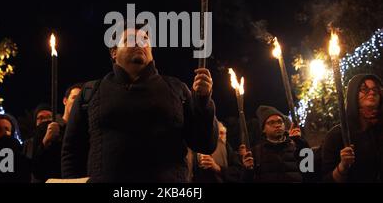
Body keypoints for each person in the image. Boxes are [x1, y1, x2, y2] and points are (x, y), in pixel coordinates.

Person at [62, 26, 218, 182]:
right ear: (114, 52)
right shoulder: (90, 92)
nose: (139, 43)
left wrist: (202, 102)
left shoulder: (177, 89)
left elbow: (204, 144)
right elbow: (72, 151)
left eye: (145, 40)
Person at [322, 74, 383, 182]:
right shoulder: (337, 135)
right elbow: (325, 179)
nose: (372, 92)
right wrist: (342, 167)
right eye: (364, 89)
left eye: (375, 89)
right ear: (353, 95)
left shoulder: (378, 130)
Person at [241, 105, 309, 182]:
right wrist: (247, 170)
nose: (277, 125)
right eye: (271, 123)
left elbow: (310, 172)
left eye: (280, 121)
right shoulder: (256, 153)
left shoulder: (296, 145)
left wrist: (301, 142)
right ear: (263, 129)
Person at [31, 83, 84, 182]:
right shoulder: (44, 128)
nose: (78, 102)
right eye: (74, 98)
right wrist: (46, 141)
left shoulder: (85, 132)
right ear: (65, 101)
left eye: (81, 100)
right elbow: (35, 169)